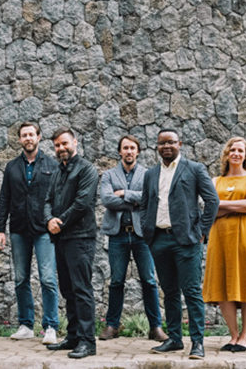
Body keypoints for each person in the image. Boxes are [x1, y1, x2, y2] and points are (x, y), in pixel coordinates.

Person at [140, 128, 219, 360]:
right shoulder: (151, 174)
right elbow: (145, 204)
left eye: (171, 142)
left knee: (192, 292)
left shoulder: (194, 169)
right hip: (158, 239)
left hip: (186, 240)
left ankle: (197, 343)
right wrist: (146, 230)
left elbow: (212, 200)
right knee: (170, 292)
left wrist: (202, 231)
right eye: (162, 143)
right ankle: (175, 339)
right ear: (157, 146)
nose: (166, 146)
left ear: (180, 144)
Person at [0, 122, 59, 344]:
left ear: (39, 137)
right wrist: (0, 230)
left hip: (44, 229)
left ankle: (51, 326)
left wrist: (56, 221)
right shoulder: (12, 167)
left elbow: (58, 196)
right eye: (24, 135)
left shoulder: (52, 165)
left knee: (48, 278)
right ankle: (26, 325)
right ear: (20, 139)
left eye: (32, 134)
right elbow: (4, 199)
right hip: (19, 229)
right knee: (21, 278)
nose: (28, 138)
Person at [99, 134, 167, 342]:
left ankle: (155, 327)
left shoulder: (147, 174)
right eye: (125, 148)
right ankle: (112, 325)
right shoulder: (109, 175)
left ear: (138, 151)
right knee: (116, 281)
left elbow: (150, 198)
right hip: (118, 234)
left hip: (142, 235)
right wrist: (135, 200)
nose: (129, 151)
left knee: (149, 280)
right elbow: (107, 200)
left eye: (132, 148)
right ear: (120, 151)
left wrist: (123, 193)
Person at [202, 137, 246, 352]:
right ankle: (234, 336)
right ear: (226, 154)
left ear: (245, 156)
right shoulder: (215, 180)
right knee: (223, 283)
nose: (236, 154)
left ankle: (245, 337)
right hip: (219, 236)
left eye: (240, 151)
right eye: (232, 150)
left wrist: (221, 204)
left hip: (244, 235)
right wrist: (231, 206)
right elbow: (210, 210)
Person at [43, 127, 99, 359]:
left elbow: (82, 203)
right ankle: (74, 336)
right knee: (68, 290)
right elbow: (47, 200)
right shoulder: (57, 171)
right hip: (61, 238)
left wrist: (60, 222)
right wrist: (49, 219)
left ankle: (88, 341)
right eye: (57, 145)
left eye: (64, 143)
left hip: (81, 237)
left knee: (81, 289)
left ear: (75, 142)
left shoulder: (87, 170)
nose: (61, 148)